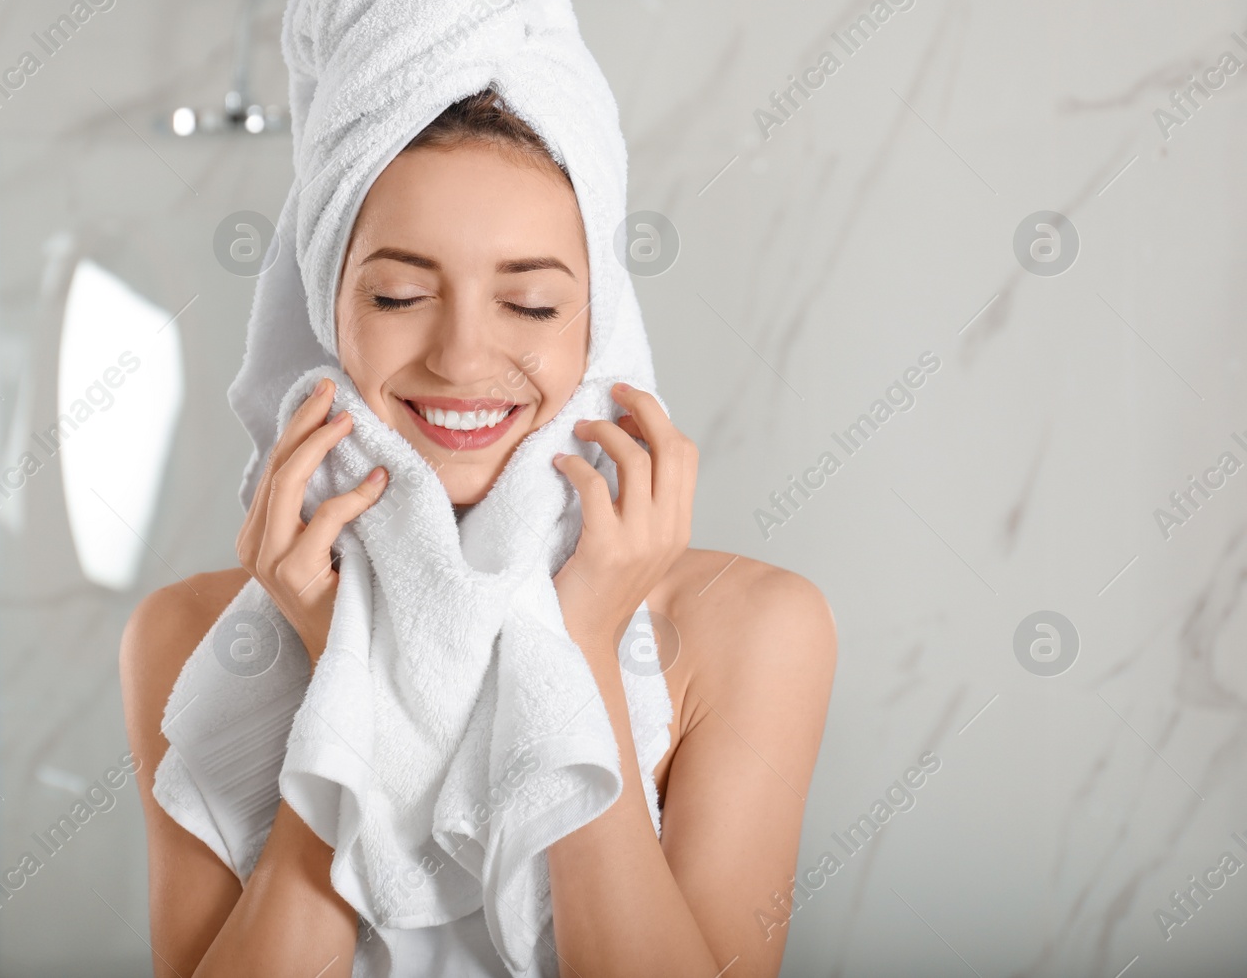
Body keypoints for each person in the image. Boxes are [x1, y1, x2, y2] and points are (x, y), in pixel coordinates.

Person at [121, 87, 836, 977]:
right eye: (398, 295)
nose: (460, 358)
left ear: (598, 330)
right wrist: (332, 666)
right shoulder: (191, 635)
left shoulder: (753, 627)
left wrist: (582, 647)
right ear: (324, 313)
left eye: (531, 304)